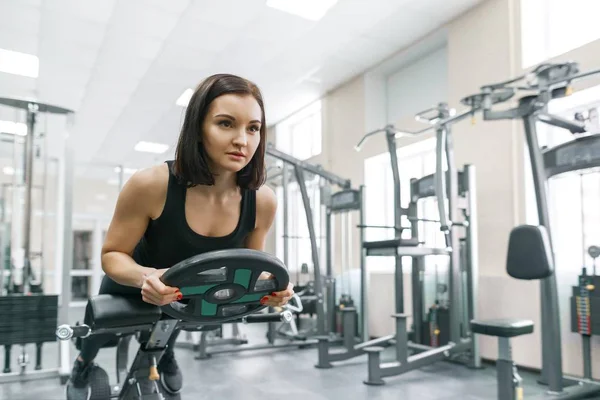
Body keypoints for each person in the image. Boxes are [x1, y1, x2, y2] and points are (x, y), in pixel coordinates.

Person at [67, 73, 295, 400]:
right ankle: (82, 362)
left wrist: (273, 290)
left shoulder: (263, 200)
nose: (242, 140)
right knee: (100, 335)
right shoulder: (151, 184)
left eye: (253, 128)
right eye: (226, 124)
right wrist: (147, 277)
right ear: (198, 128)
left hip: (183, 296)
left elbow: (253, 265)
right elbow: (112, 255)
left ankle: (164, 354)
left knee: (170, 319)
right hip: (131, 286)